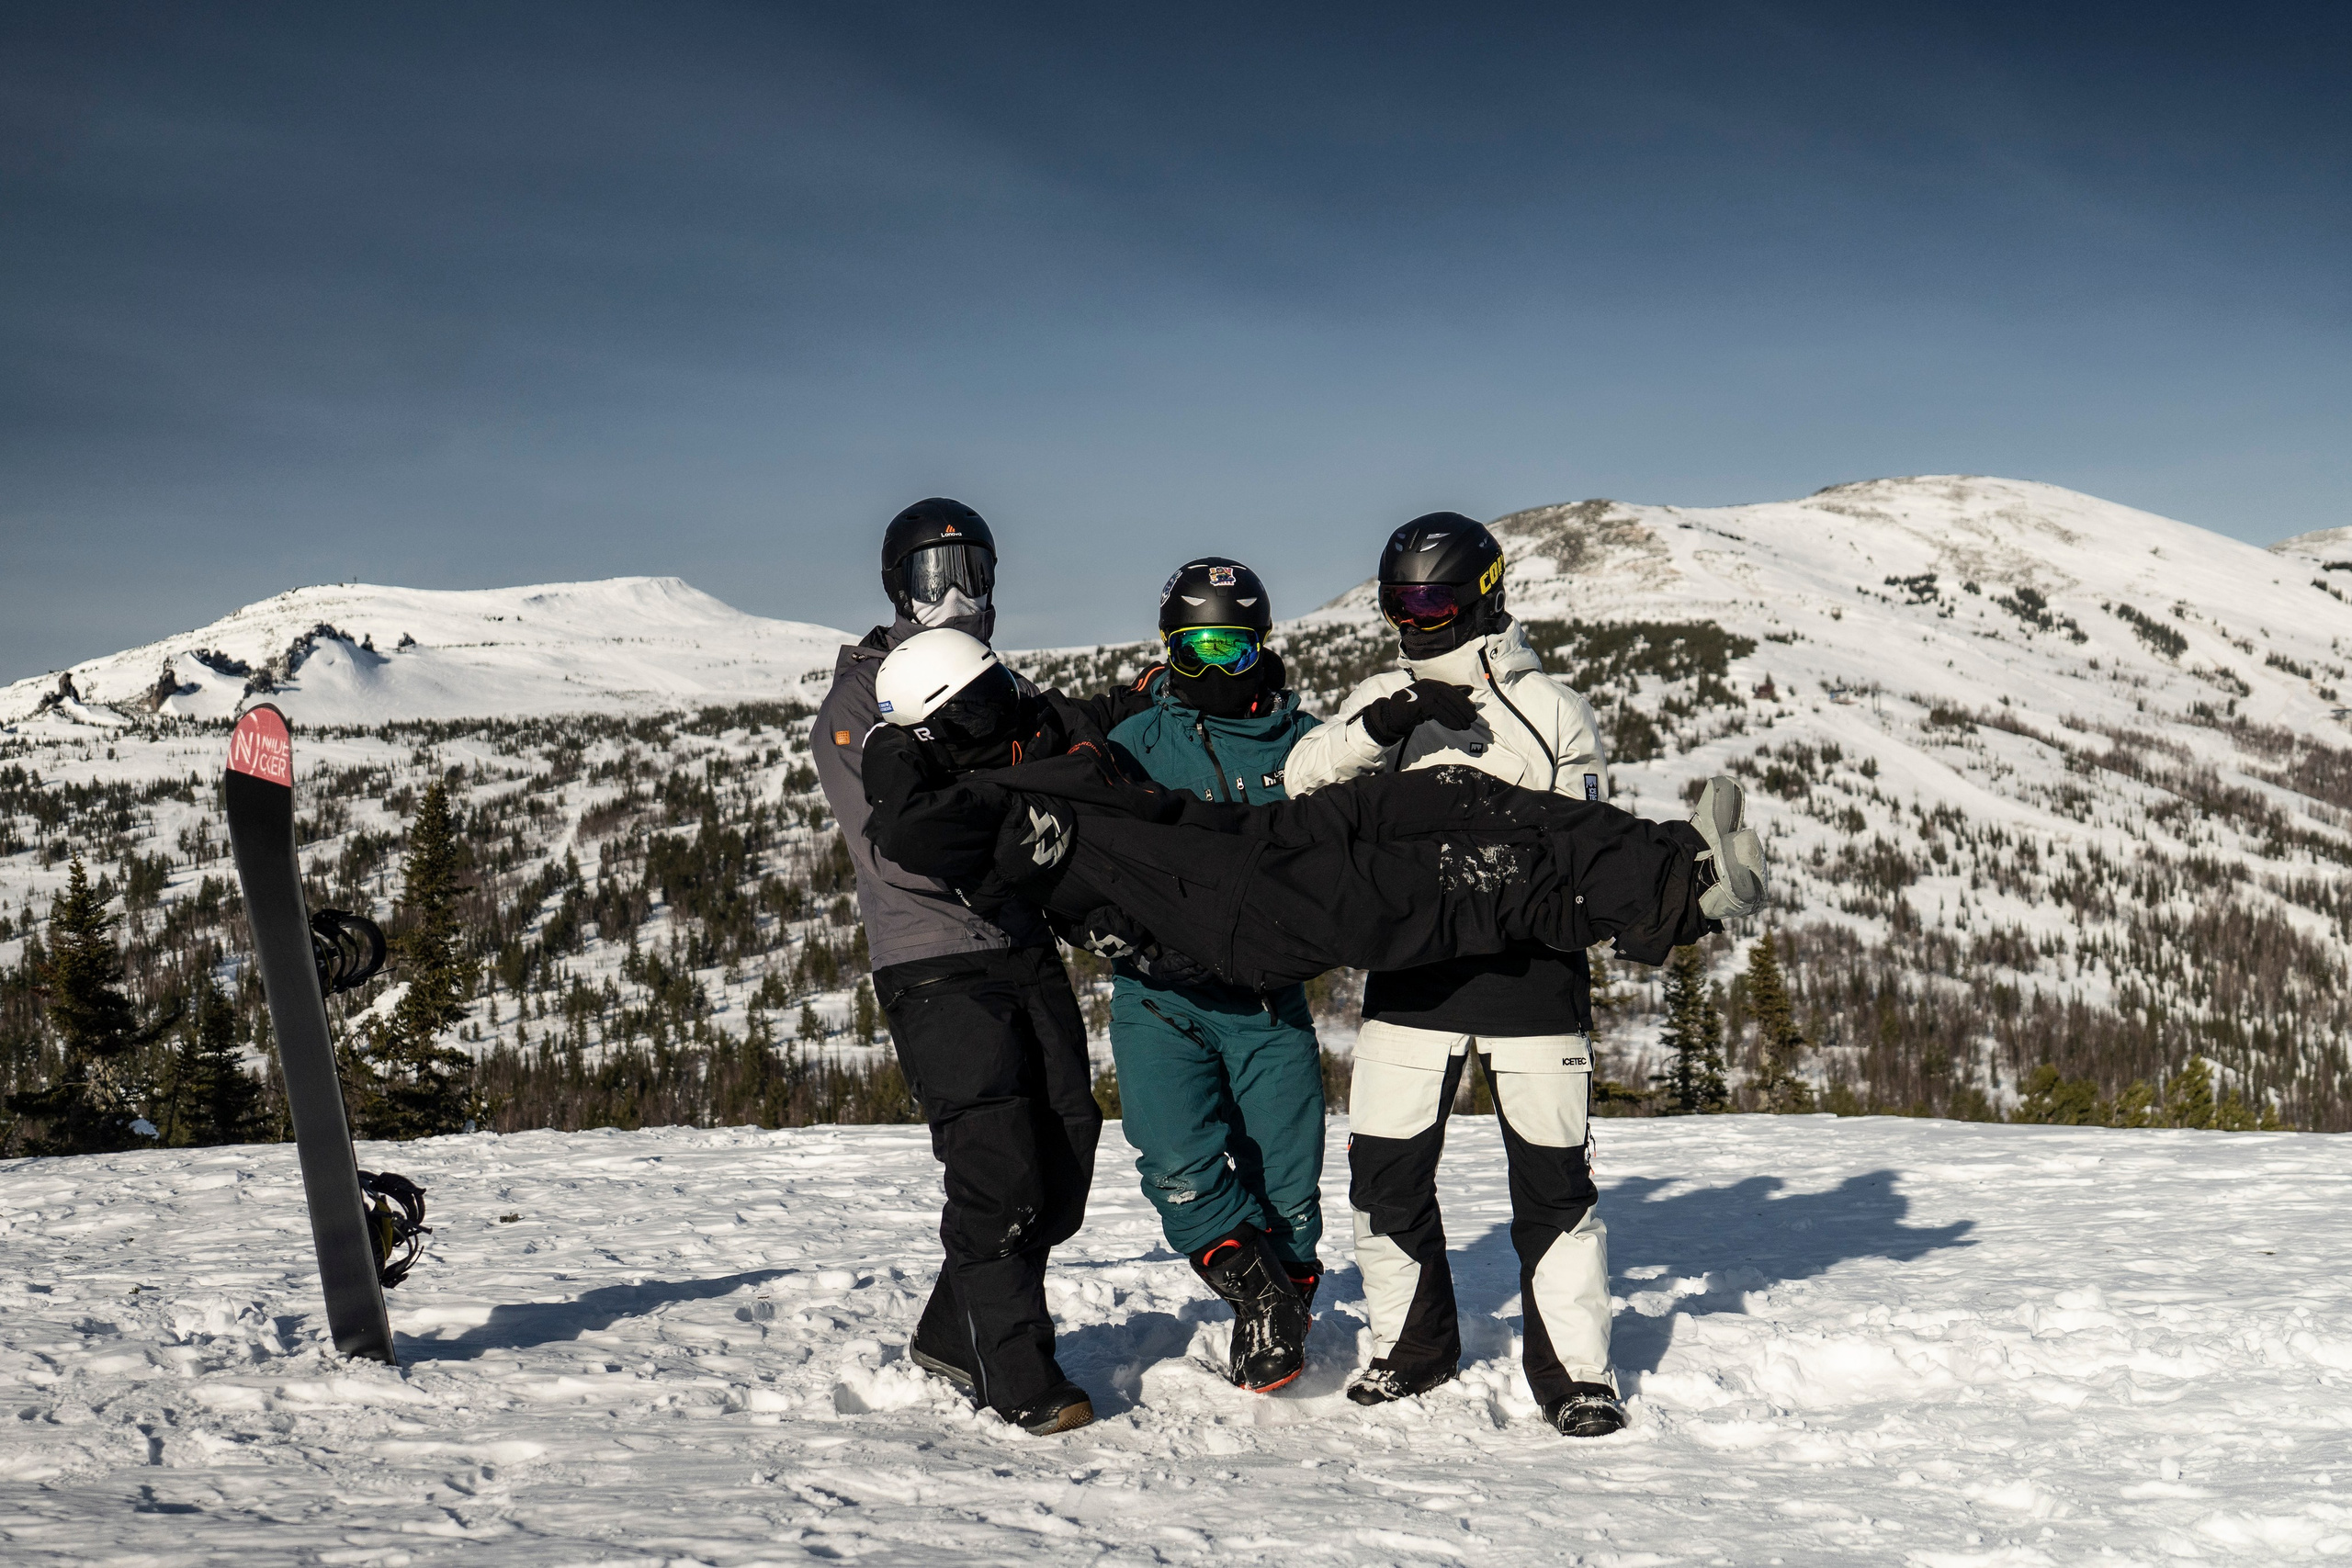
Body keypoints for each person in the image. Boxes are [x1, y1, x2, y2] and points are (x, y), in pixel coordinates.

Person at [855, 626, 1766, 1021]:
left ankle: (1671, 849)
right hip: (1234, 921)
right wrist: (897, 759)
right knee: (1467, 881)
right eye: (976, 713)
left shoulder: (1047, 733)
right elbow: (909, 836)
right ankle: (1684, 901)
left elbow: (1106, 698)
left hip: (1243, 845)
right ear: (938, 740)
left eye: (1002, 689)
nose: (1009, 715)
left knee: (1449, 794)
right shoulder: (976, 812)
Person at [1283, 511, 1628, 1436]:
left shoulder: (1550, 704)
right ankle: (1413, 1350)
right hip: (1410, 978)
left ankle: (1576, 1376)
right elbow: (1300, 784)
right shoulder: (1380, 693)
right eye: (1399, 600)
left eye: (1432, 598)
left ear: (1483, 593)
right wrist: (1386, 721)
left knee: (1552, 1188)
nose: (1415, 616)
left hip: (1530, 982)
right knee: (1386, 1178)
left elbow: (1583, 844)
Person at [810, 498, 1148, 1437]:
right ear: (897, 586)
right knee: (997, 1173)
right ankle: (1017, 1372)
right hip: (936, 966)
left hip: (1021, 946)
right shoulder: (859, 704)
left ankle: (954, 1331)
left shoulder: (992, 684)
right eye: (933, 574)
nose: (955, 592)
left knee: (1065, 1151)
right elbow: (896, 850)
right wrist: (1019, 835)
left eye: (973, 571)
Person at [1100, 558, 1327, 1393]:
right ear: (1166, 651)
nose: (1208, 671)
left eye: (1229, 650)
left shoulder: (1307, 748)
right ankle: (1256, 1294)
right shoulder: (1134, 746)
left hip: (1266, 1003)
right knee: (1177, 1162)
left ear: (1260, 648)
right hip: (1159, 995)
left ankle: (1285, 1301)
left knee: (1290, 1189)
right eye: (1190, 650)